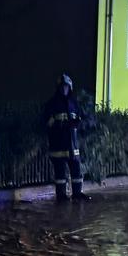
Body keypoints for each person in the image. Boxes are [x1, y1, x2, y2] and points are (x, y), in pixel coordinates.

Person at [43, 73, 87, 201]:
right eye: (62, 87)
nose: (64, 89)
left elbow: (81, 119)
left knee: (76, 170)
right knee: (60, 173)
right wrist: (60, 125)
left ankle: (77, 194)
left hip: (72, 144)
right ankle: (61, 196)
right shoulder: (52, 103)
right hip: (58, 143)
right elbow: (46, 123)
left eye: (66, 87)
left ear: (70, 88)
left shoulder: (74, 103)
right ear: (58, 88)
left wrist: (79, 124)